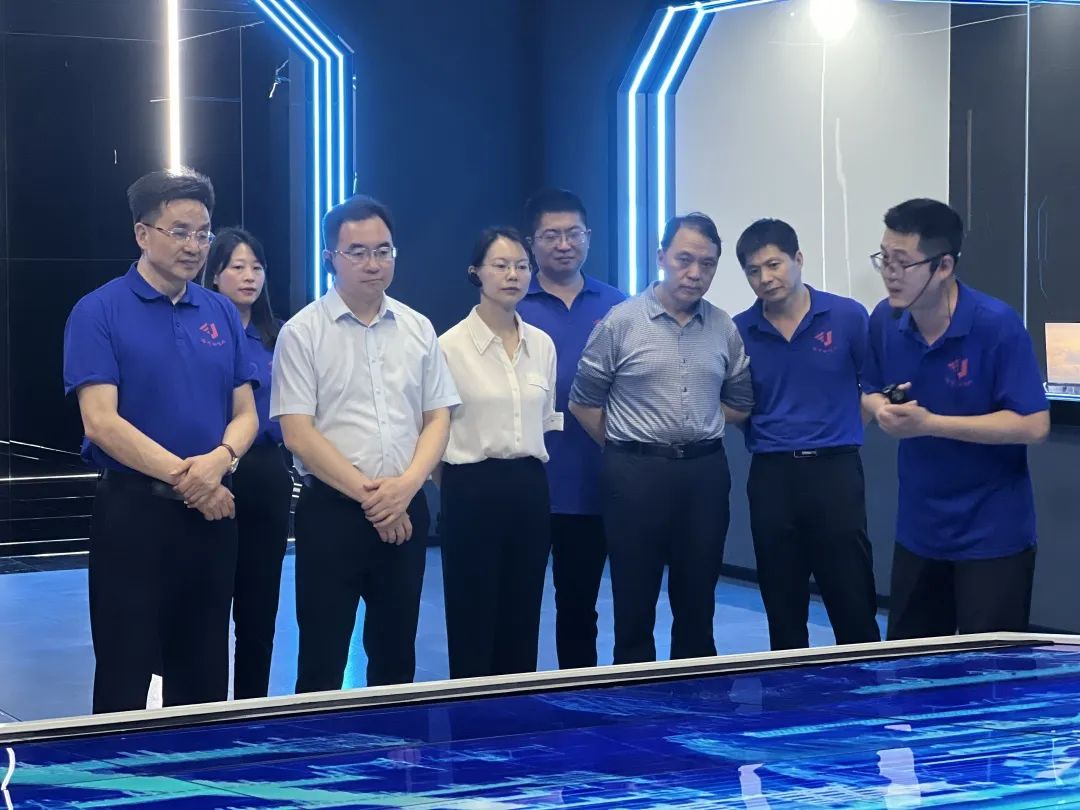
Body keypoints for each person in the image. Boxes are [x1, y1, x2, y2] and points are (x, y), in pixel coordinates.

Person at [63, 168, 258, 712]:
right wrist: (190, 479)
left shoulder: (220, 311)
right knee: (124, 671)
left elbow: (246, 412)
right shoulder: (98, 310)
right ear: (142, 234)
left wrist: (220, 461)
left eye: (203, 233)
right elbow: (101, 422)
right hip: (134, 516)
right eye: (180, 232)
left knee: (203, 673)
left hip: (212, 516)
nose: (194, 246)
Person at [272, 195, 459, 691]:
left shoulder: (418, 328)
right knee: (322, 656)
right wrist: (377, 501)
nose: (373, 264)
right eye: (357, 252)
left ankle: (392, 742)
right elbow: (298, 433)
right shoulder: (302, 333)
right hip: (332, 513)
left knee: (396, 656)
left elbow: (438, 417)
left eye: (383, 251)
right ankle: (320, 742)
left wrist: (407, 488)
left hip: (407, 504)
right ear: (330, 257)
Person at [569, 212, 753, 665]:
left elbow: (740, 402)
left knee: (699, 594)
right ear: (661, 257)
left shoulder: (724, 327)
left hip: (704, 473)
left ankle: (696, 689)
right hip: (634, 473)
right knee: (635, 594)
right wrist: (625, 446)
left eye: (707, 264)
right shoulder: (621, 322)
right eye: (684, 260)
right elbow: (583, 402)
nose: (695, 273)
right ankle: (636, 688)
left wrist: (698, 419)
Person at [862, 198, 1049, 640]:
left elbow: (1033, 424)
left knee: (989, 670)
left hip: (992, 534)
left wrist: (931, 424)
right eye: (884, 258)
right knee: (913, 663)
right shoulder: (885, 320)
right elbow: (868, 388)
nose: (890, 273)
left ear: (943, 266)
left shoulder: (996, 324)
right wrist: (881, 409)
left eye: (902, 262)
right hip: (919, 530)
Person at [732, 218, 880, 651]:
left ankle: (863, 679)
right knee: (782, 602)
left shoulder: (847, 316)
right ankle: (789, 687)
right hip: (771, 475)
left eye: (773, 264)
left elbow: (872, 387)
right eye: (753, 271)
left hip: (835, 471)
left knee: (852, 597)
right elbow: (737, 405)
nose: (765, 278)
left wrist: (843, 428)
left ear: (798, 259)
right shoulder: (739, 330)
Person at [438, 227, 562, 678]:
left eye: (522, 266)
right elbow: (434, 432)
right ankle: (471, 710)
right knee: (471, 613)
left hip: (529, 486)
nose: (513, 275)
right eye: (501, 265)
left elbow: (545, 419)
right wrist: (458, 486)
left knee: (523, 612)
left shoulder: (542, 345)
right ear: (476, 272)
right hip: (470, 486)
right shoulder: (448, 347)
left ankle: (517, 707)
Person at [516, 189, 625, 670]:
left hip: (590, 484)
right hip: (524, 482)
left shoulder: (618, 305)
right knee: (515, 605)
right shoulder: (512, 301)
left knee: (580, 607)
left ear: (589, 237)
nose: (564, 244)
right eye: (551, 235)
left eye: (573, 233)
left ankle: (578, 695)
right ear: (531, 243)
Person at [201, 227, 293, 699]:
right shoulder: (198, 333)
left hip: (267, 472)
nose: (249, 276)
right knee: (209, 600)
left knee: (260, 603)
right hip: (211, 474)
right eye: (237, 267)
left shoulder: (280, 336)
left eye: (256, 267)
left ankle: (253, 704)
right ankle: (206, 706)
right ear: (215, 275)